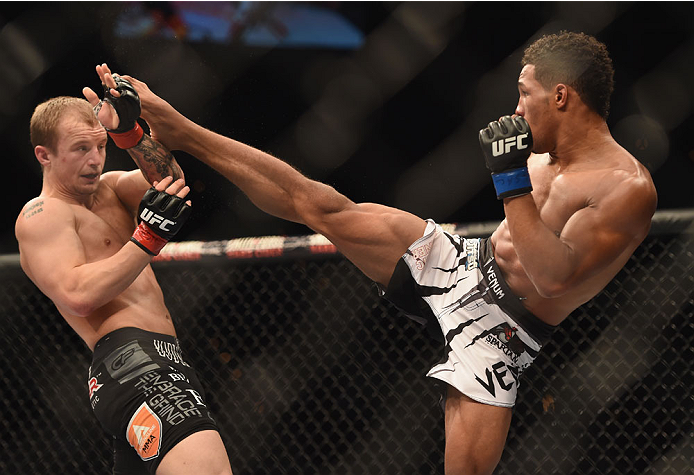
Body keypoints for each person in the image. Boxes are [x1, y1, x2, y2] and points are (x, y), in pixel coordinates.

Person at [125, 31, 657, 474]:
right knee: (322, 205)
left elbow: (554, 279)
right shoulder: (543, 153)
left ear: (561, 97)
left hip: (503, 330)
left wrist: (512, 181)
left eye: (525, 94)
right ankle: (184, 130)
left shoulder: (625, 188)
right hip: (465, 262)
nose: (516, 109)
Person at [15, 65, 234, 475]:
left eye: (100, 146)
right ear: (44, 155)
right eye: (80, 148)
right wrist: (147, 239)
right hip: (132, 363)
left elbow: (170, 181)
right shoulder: (41, 216)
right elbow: (77, 295)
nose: (95, 160)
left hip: (164, 358)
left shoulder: (112, 187)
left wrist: (129, 131)